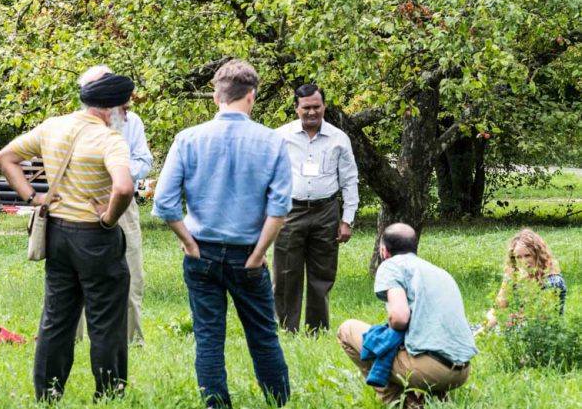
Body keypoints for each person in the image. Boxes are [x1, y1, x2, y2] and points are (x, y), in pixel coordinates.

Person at [153, 59, 293, 408]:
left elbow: (164, 202)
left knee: (208, 337)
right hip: (248, 253)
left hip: (202, 251)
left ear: (216, 97)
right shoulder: (272, 142)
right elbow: (279, 208)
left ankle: (216, 404)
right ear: (251, 96)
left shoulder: (188, 139)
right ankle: (279, 401)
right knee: (263, 335)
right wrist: (259, 253)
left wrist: (188, 242)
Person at [0, 71, 135, 402]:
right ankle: (109, 394)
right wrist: (109, 217)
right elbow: (124, 187)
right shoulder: (109, 140)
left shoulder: (53, 127)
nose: (127, 116)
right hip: (96, 239)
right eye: (125, 109)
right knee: (106, 320)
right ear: (111, 108)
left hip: (57, 234)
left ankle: (48, 392)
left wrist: (34, 197)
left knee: (57, 318)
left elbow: (5, 158)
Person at [338, 224, 478, 407]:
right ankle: (433, 398)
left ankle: (397, 401)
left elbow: (399, 317)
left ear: (384, 250)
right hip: (462, 371)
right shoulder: (438, 272)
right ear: (414, 246)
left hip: (431, 370)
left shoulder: (391, 266)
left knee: (347, 330)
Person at [76, 65, 153, 344]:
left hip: (123, 203)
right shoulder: (74, 124)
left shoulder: (132, 122)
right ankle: (74, 338)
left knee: (131, 271)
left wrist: (119, 171)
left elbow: (144, 160)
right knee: (78, 273)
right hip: (83, 202)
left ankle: (132, 339)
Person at [274, 83, 359, 333]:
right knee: (285, 273)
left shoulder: (338, 138)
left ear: (324, 107)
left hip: (326, 212)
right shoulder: (280, 137)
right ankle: (286, 329)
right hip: (290, 211)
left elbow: (349, 180)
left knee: (322, 274)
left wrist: (347, 219)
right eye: (306, 107)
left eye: (316, 107)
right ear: (296, 108)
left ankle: (317, 330)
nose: (312, 112)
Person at [482, 228, 567, 331]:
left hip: (543, 331)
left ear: (538, 255)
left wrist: (512, 318)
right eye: (518, 257)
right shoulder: (513, 277)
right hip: (515, 327)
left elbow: (541, 317)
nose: (524, 261)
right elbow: (497, 309)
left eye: (527, 256)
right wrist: (482, 331)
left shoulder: (553, 280)